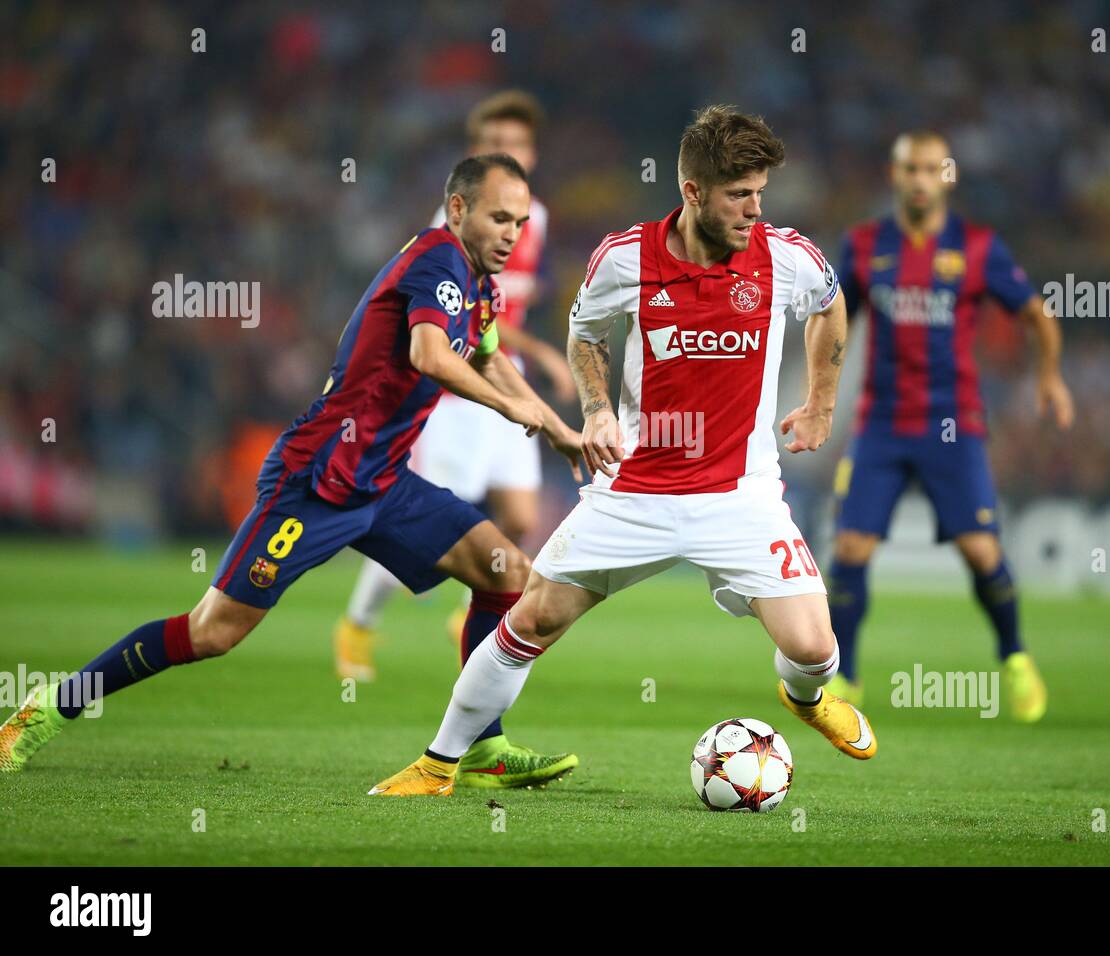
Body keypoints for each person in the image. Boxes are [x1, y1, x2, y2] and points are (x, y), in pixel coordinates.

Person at [1, 155, 583, 791]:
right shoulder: (438, 259)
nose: (511, 233)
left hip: (383, 480)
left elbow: (492, 354)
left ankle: (479, 748)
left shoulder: (479, 283)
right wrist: (514, 408)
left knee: (504, 574)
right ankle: (47, 707)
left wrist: (552, 425)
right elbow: (429, 354)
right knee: (213, 630)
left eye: (520, 223)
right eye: (499, 217)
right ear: (459, 209)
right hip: (320, 479)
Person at [367, 106, 878, 798]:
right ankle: (438, 764)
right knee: (531, 618)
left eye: (761, 193)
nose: (755, 210)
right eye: (739, 196)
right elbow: (586, 336)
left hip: (742, 494)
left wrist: (820, 403)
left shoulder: (787, 257)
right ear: (692, 191)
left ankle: (807, 701)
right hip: (636, 489)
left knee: (815, 650)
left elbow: (831, 304)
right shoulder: (624, 258)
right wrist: (598, 409)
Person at [825, 130, 1075, 721]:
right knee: (850, 547)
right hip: (881, 423)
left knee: (980, 550)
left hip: (952, 423)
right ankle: (847, 678)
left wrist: (1050, 377)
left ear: (949, 175)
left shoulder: (978, 247)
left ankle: (1015, 657)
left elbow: (1037, 313)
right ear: (894, 173)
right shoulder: (862, 246)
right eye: (910, 168)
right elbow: (834, 320)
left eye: (931, 169)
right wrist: (821, 392)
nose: (919, 179)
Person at [334, 90, 575, 687]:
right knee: (430, 522)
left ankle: (471, 610)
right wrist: (540, 350)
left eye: (518, 144)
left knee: (519, 515)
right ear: (475, 156)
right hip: (455, 391)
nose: (509, 151)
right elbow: (466, 314)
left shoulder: (533, 219)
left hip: (500, 374)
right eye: (497, 143)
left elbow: (513, 295)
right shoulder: (450, 229)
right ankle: (358, 623)